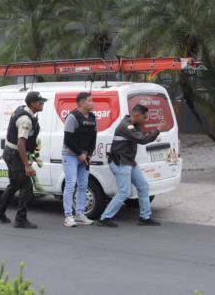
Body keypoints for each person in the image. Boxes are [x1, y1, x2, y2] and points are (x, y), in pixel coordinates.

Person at [96, 104, 166, 227]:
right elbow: (143, 140)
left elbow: (142, 136)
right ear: (137, 115)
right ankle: (104, 218)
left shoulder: (134, 125)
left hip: (128, 162)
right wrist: (157, 130)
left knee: (143, 186)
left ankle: (145, 217)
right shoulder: (126, 126)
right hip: (120, 163)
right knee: (124, 192)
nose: (146, 120)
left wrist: (152, 131)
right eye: (144, 118)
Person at [0, 91, 47, 229]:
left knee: (14, 184)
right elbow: (21, 143)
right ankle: (20, 220)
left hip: (10, 152)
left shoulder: (22, 111)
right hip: (15, 153)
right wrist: (27, 166)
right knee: (26, 186)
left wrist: (8, 151)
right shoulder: (26, 120)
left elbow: (12, 135)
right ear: (33, 104)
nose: (42, 104)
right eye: (40, 102)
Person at [61, 92, 97, 227]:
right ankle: (68, 216)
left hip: (84, 156)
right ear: (82, 103)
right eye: (90, 101)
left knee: (83, 185)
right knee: (71, 184)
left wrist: (88, 155)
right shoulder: (72, 117)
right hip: (70, 155)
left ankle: (80, 214)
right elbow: (68, 139)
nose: (92, 103)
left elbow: (93, 138)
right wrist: (79, 154)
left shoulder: (93, 117)